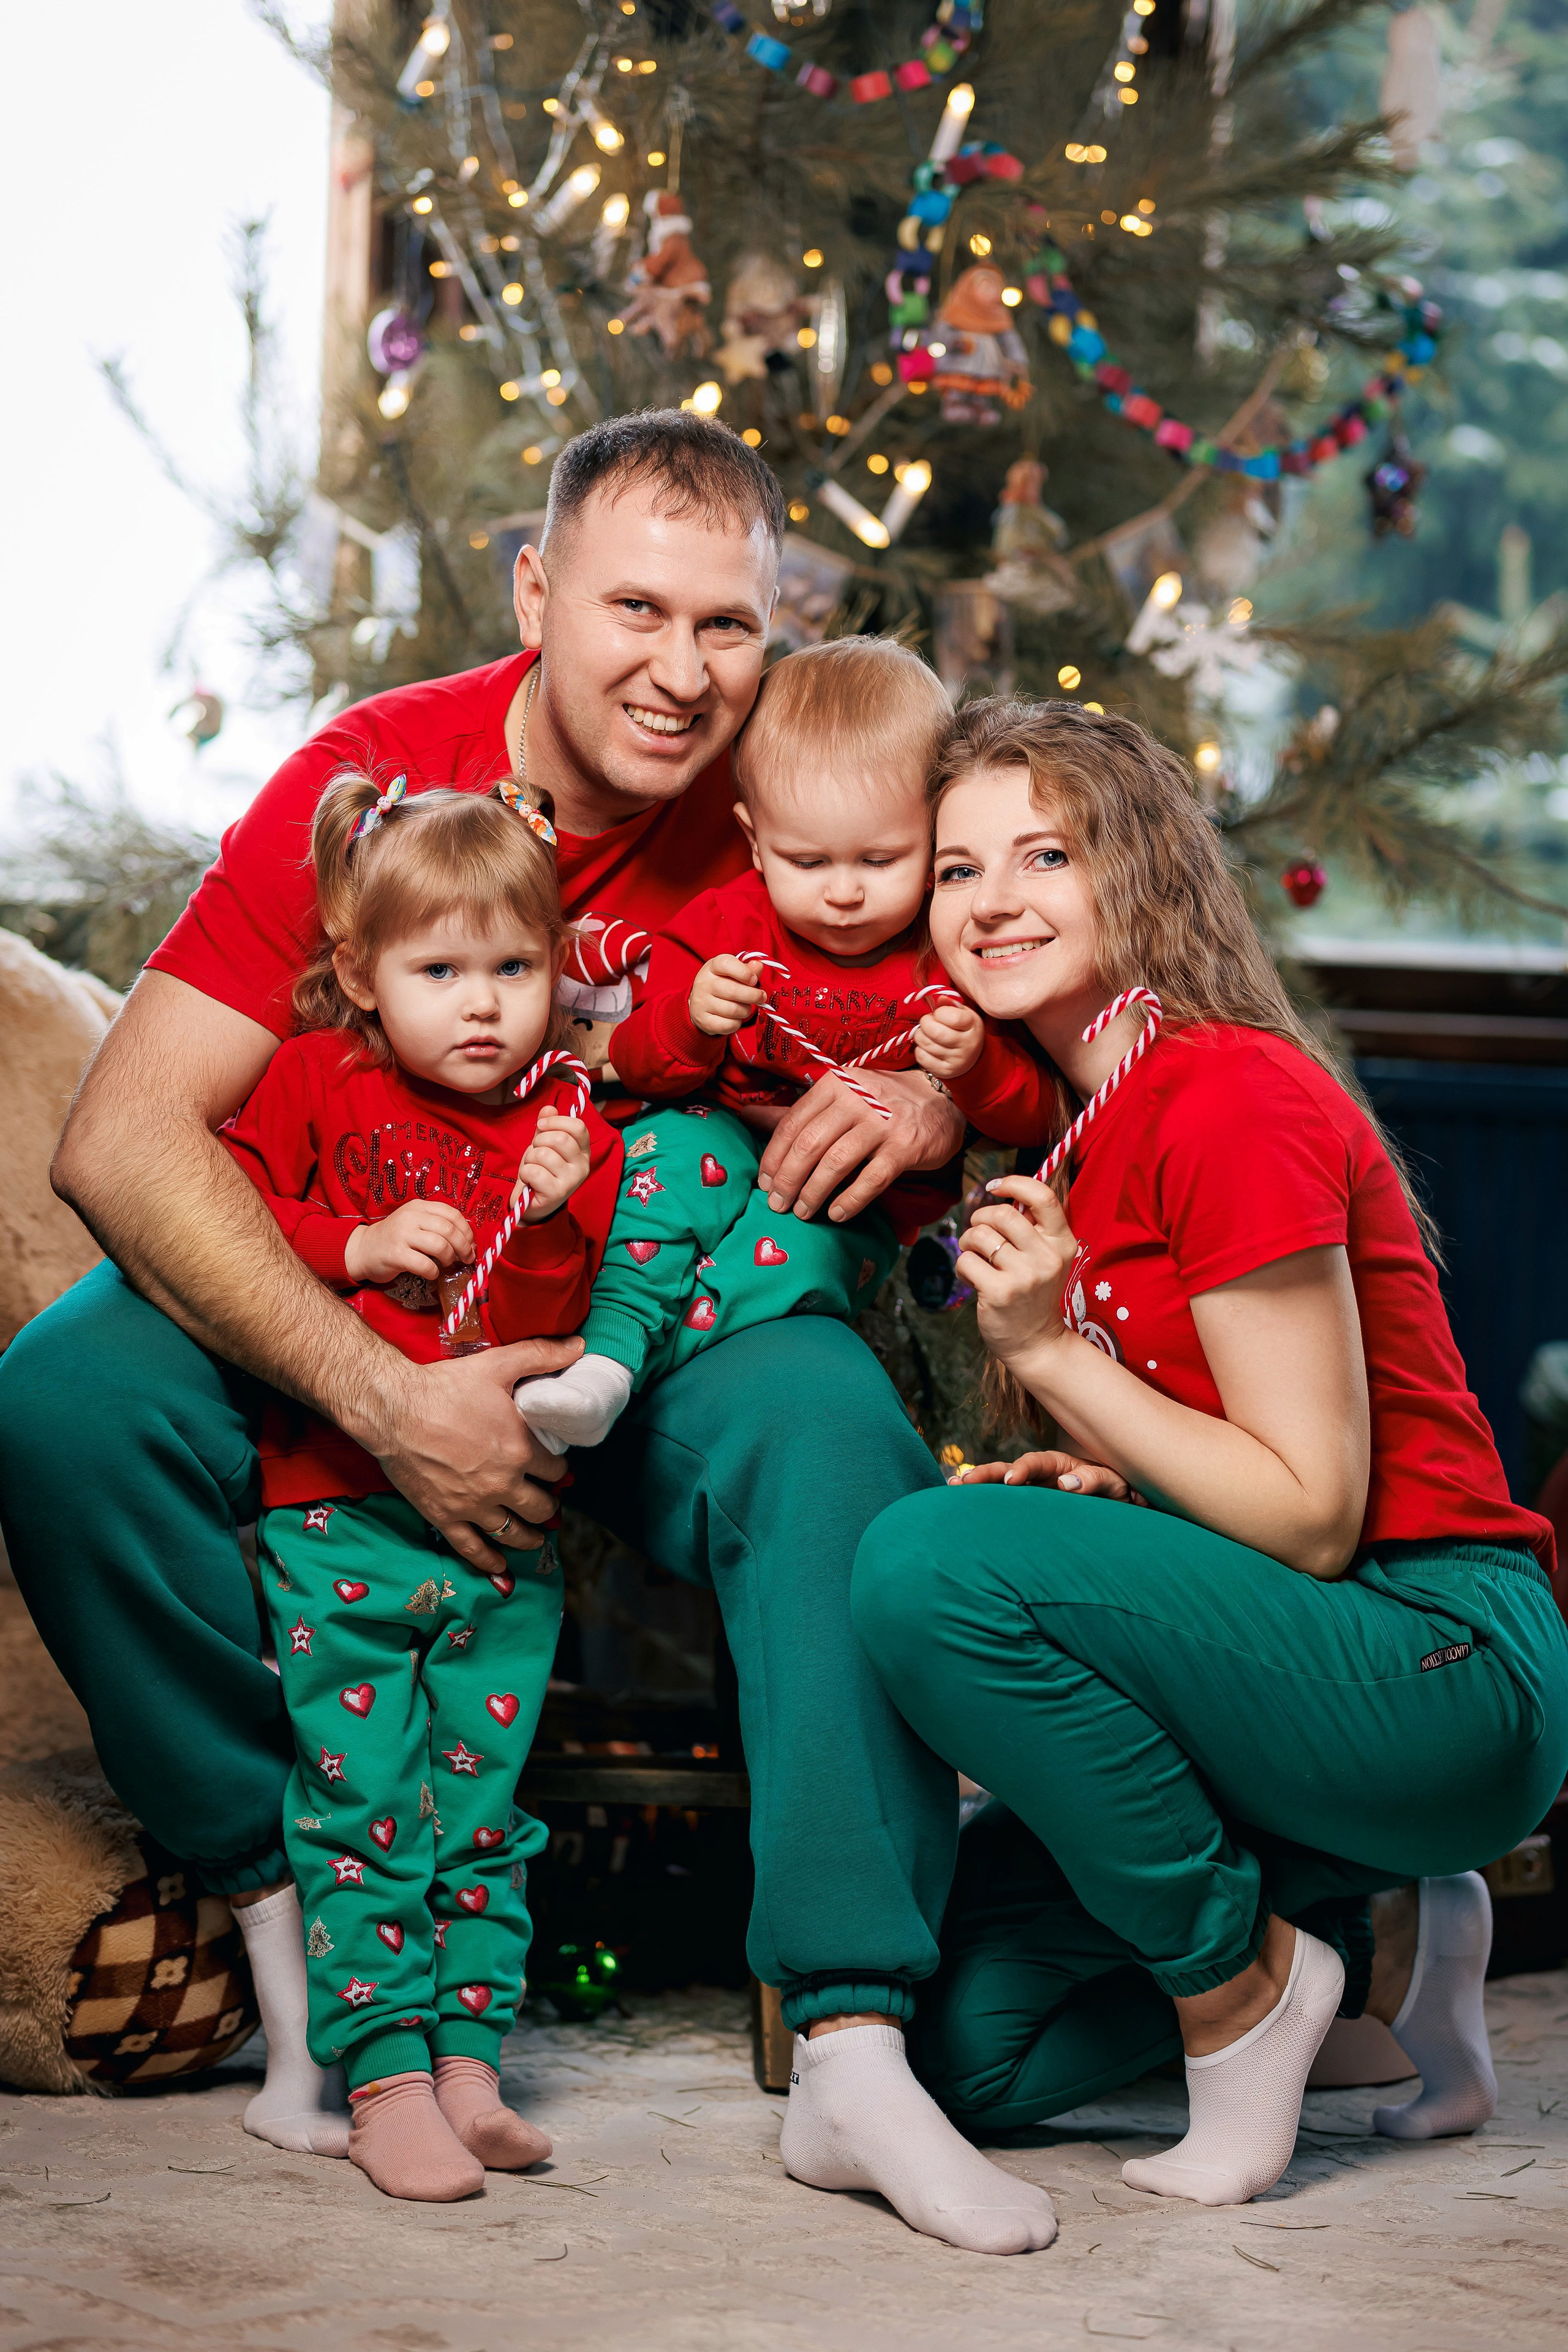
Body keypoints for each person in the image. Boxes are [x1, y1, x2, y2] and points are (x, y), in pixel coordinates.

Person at [0, 413, 1052, 2255]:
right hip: (382, 1285)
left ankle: (854, 2033)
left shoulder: (804, 773)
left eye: (729, 624)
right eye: (634, 608)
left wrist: (937, 1110)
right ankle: (293, 1918)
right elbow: (124, 1136)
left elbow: (1030, 978)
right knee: (69, 1399)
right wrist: (382, 1398)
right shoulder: (371, 784)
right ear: (535, 590)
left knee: (834, 1452)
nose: (682, 670)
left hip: (673, 1313)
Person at [851, 699, 1568, 2209]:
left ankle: (1236, 1997)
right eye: (956, 868)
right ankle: (1362, 1955)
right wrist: (1110, 1491)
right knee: (969, 2050)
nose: (992, 903)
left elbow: (1312, 1516)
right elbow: (1221, 1461)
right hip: (1307, 1678)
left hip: (1441, 1658)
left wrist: (1046, 1356)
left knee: (923, 1565)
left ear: (1143, 870)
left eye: (1044, 853)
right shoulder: (1077, 1131)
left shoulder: (1222, 1090)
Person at [222, 769, 619, 2199]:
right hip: (334, 1512)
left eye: (513, 968)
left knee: (483, 1806)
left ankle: (469, 2063)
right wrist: (355, 1242)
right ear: (361, 975)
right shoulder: (314, 1078)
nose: (481, 1003)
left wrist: (563, 1212)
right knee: (361, 1797)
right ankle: (382, 2076)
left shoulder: (563, 1124)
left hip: (500, 1538)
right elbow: (238, 1212)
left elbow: (559, 1316)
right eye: (438, 969)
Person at [515, 633, 1054, 1457]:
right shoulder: (731, 924)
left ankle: (626, 1373)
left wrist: (974, 1066)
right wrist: (693, 1017)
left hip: (854, 1200)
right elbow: (641, 1062)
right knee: (662, 1178)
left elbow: (1024, 1114)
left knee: (795, 1257)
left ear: (935, 832)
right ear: (756, 839)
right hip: (721, 1134)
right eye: (807, 860)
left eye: (881, 859)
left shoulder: (944, 952)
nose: (842, 892)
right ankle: (605, 1354)